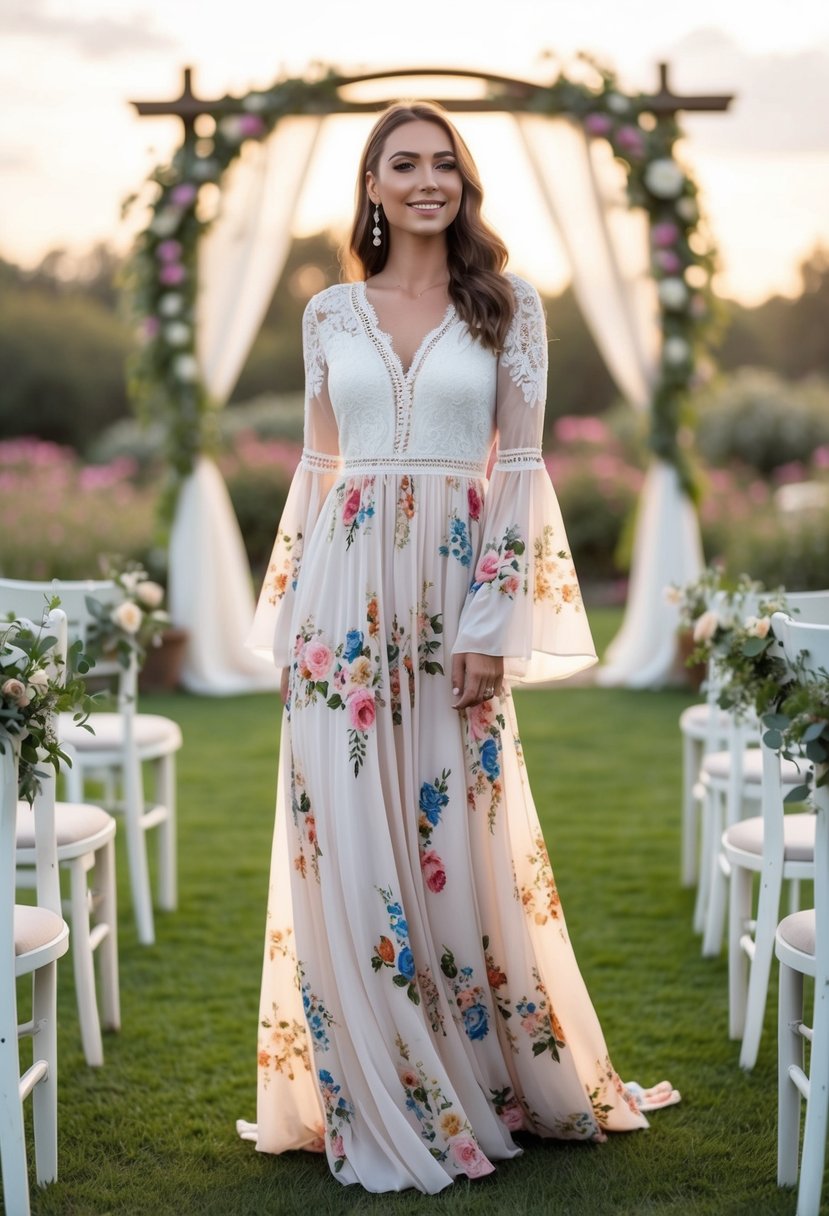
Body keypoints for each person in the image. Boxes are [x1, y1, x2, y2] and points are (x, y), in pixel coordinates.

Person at [238, 100, 677, 1194]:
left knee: (451, 829)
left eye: (444, 163)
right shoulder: (327, 312)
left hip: (450, 598)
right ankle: (370, 1085)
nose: (427, 180)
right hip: (341, 604)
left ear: (461, 182)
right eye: (404, 164)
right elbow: (319, 472)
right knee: (342, 835)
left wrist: (494, 623)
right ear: (373, 187)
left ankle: (479, 1076)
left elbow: (519, 471)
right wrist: (293, 620)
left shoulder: (506, 308)